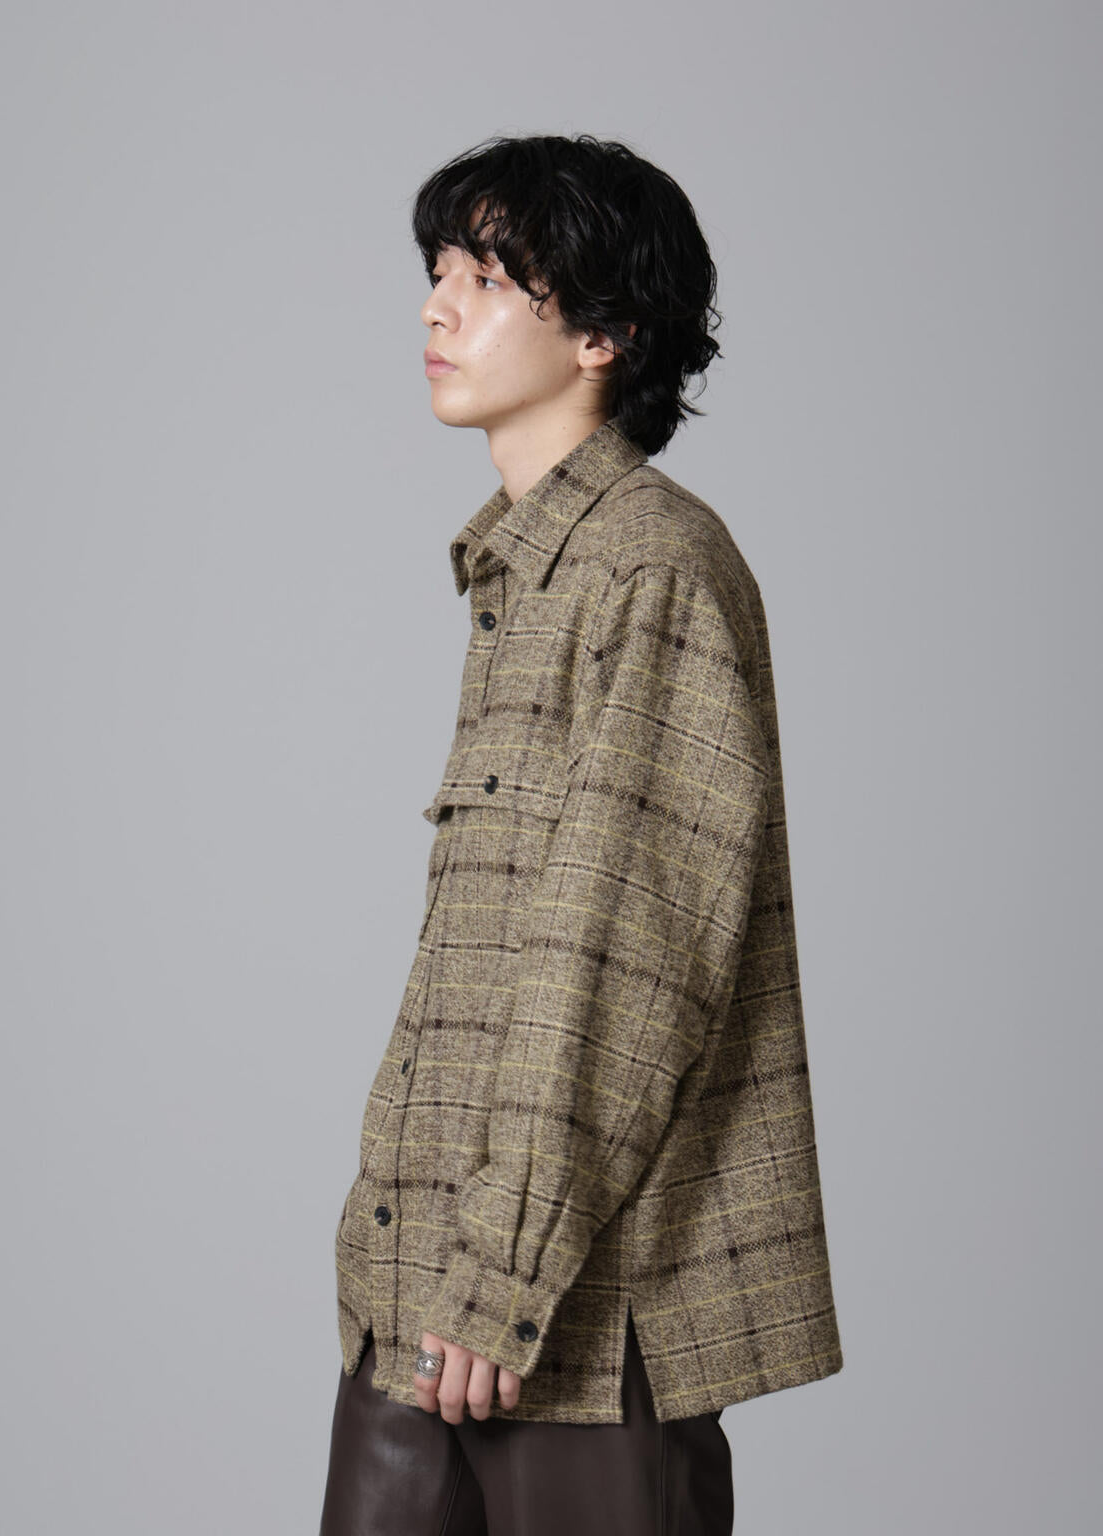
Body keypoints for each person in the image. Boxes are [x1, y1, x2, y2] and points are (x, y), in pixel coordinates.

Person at [319, 132, 843, 1536]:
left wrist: (503, 1269)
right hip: (419, 1300)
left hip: (572, 1325)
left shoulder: (647, 566)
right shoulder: (523, 569)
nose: (437, 305)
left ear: (605, 335)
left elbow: (620, 966)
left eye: (487, 279)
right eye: (439, 270)